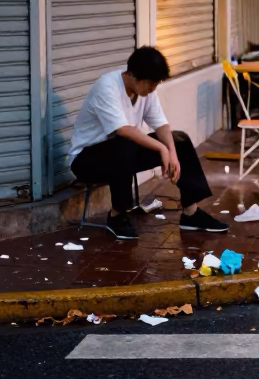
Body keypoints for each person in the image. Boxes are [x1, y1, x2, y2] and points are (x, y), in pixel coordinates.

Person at [68, 46, 227, 239]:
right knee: (124, 143)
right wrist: (162, 149)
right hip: (87, 160)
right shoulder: (107, 87)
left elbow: (161, 124)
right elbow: (123, 130)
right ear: (134, 76)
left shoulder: (146, 91)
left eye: (156, 84)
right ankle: (118, 215)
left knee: (180, 140)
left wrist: (173, 153)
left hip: (122, 155)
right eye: (151, 84)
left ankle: (191, 213)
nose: (153, 89)